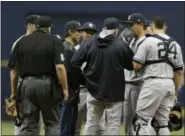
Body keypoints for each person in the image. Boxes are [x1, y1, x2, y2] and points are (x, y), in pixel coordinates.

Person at [71, 17, 134, 135]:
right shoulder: (120, 44)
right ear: (115, 30)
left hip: (93, 90)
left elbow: (75, 62)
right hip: (115, 92)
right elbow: (132, 66)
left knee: (91, 123)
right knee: (114, 125)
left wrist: (83, 80)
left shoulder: (90, 42)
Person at [8, 16, 69, 135]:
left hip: (26, 85)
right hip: (47, 85)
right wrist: (65, 89)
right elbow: (60, 67)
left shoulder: (21, 41)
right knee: (52, 123)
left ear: (36, 27)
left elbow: (14, 71)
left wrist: (14, 92)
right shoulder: (54, 40)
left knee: (29, 124)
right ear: (48, 28)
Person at [132, 16, 184, 135]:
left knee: (141, 121)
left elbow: (136, 66)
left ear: (153, 26)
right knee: (163, 123)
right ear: (165, 27)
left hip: (153, 83)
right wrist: (175, 91)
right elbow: (179, 72)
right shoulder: (176, 45)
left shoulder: (148, 41)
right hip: (169, 85)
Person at [9, 14, 44, 136]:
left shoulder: (41, 41)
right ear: (28, 25)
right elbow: (14, 71)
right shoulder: (20, 42)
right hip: (22, 86)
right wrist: (13, 93)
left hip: (35, 86)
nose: (39, 27)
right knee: (22, 122)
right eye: (36, 25)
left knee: (36, 123)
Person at [74, 22, 106, 135]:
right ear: (81, 33)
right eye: (86, 31)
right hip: (81, 90)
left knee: (100, 126)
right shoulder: (76, 49)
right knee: (76, 125)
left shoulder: (101, 49)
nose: (88, 34)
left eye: (91, 32)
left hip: (95, 90)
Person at [121, 13, 148, 136]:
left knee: (139, 119)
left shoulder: (146, 42)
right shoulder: (131, 40)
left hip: (139, 84)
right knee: (127, 119)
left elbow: (136, 66)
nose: (130, 28)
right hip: (127, 83)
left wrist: (125, 48)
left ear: (140, 24)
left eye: (132, 24)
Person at [59, 21, 83, 136]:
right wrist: (76, 86)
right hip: (69, 92)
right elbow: (71, 73)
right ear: (70, 32)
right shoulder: (68, 49)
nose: (81, 34)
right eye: (78, 31)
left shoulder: (63, 46)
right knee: (66, 128)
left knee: (66, 127)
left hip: (65, 91)